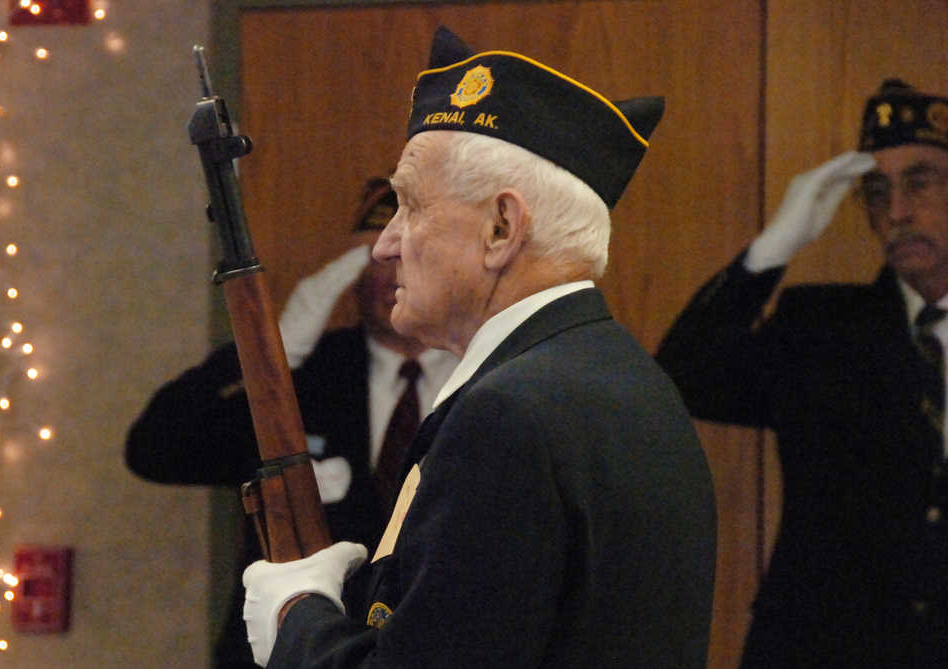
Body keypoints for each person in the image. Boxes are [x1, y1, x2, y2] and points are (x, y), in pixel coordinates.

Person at [241, 26, 717, 668]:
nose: (384, 246)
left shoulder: (511, 415)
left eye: (409, 206)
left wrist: (296, 616)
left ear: (501, 228)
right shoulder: (621, 380)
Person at [655, 79, 948, 667]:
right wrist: (774, 247)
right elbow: (682, 377)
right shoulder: (819, 330)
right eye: (876, 191)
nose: (896, 212)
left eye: (919, 182)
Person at [125, 176, 458, 669]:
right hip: (292, 650)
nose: (393, 273)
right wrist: (259, 359)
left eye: (414, 253)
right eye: (379, 256)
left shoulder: (487, 380)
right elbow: (155, 448)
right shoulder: (300, 378)